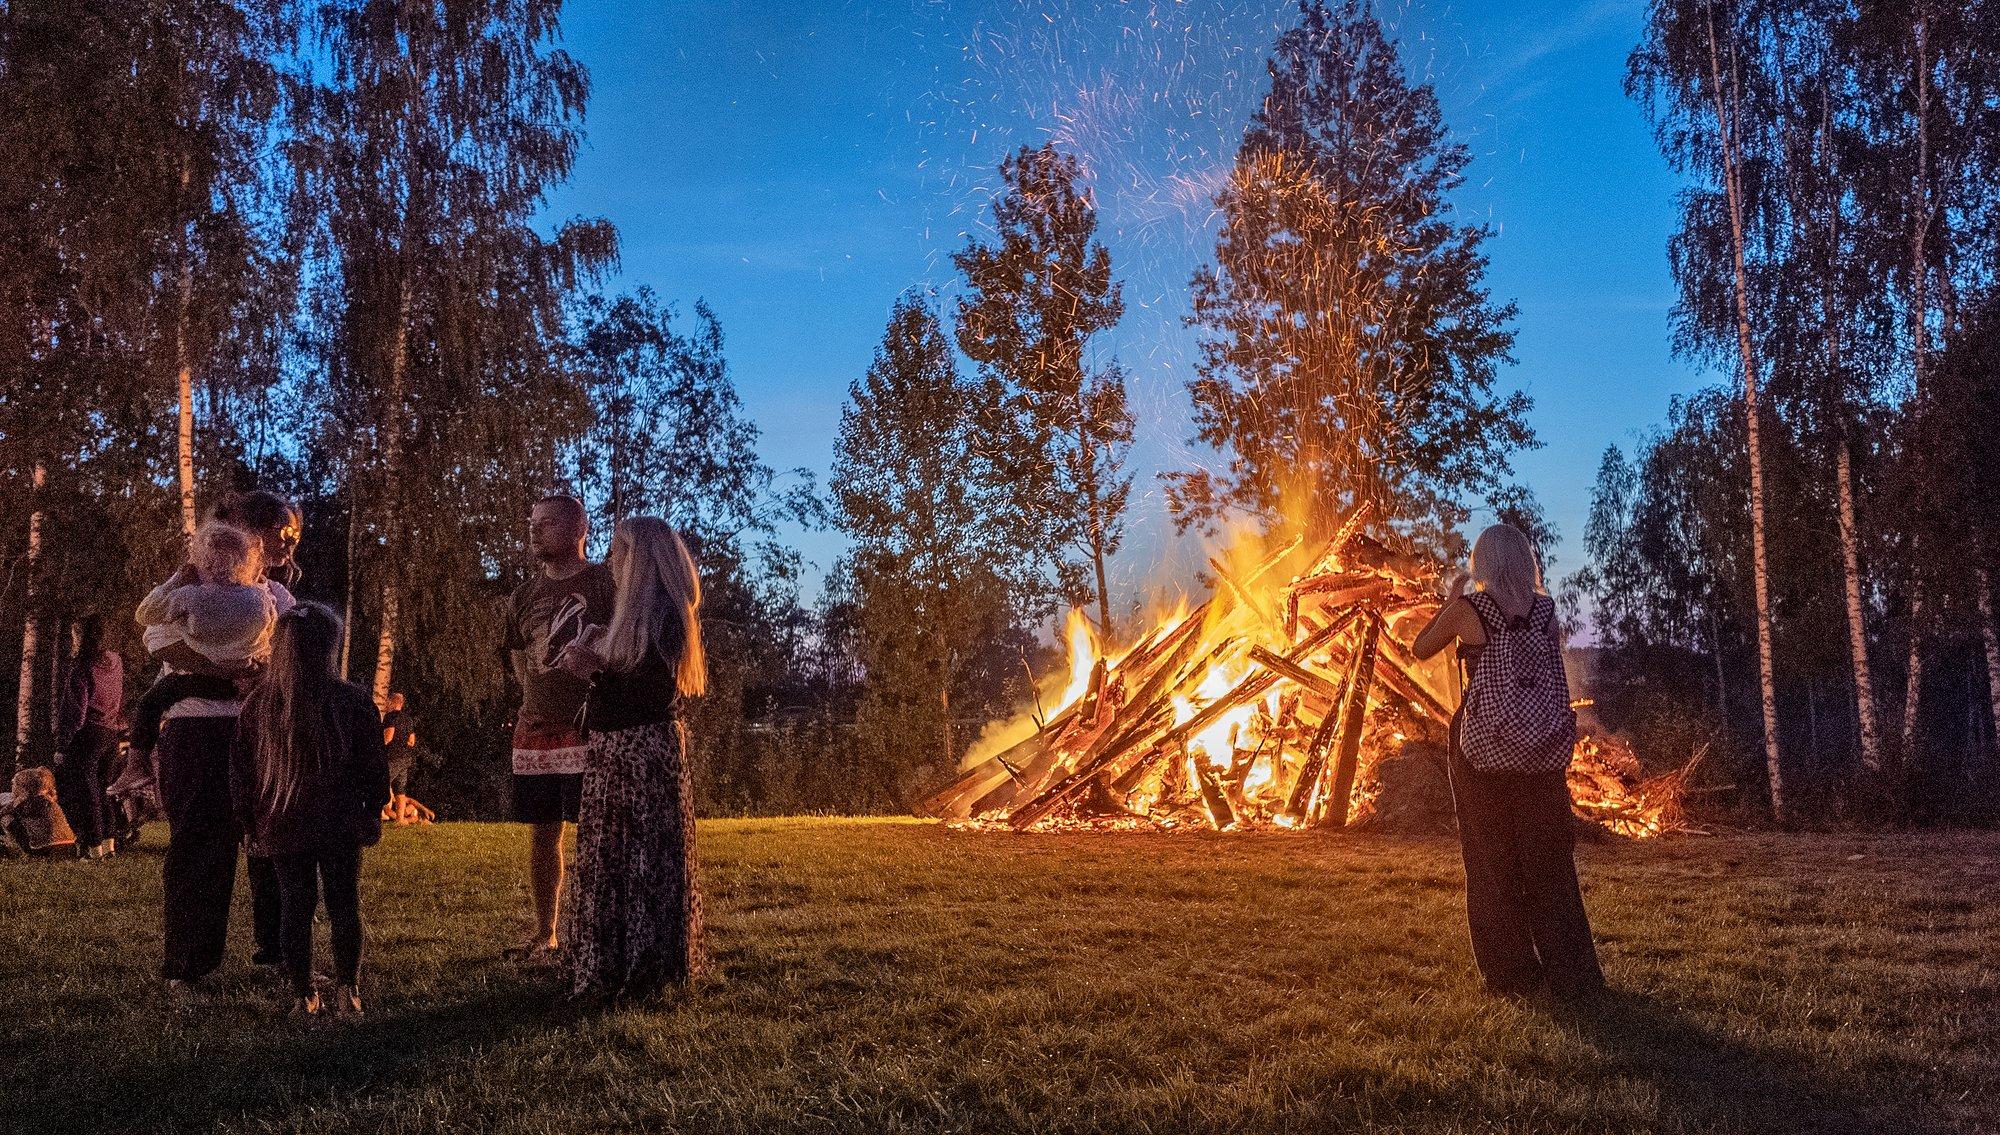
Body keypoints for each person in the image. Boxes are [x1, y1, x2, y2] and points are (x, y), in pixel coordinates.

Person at [1412, 522, 1605, 1001]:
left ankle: (1512, 975)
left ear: (1481, 562)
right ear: (1525, 561)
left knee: (1489, 858)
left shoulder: (1468, 609)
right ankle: (1572, 972)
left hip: (1482, 748)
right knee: (1550, 860)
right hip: (1540, 748)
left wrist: (1452, 598)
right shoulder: (1545, 610)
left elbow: (1420, 649)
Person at [147, 489, 303, 993]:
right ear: (253, 529)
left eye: (295, 535)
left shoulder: (276, 597)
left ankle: (280, 955)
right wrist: (219, 671)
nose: (290, 542)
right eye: (284, 530)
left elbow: (295, 653)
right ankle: (188, 966)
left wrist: (265, 673)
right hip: (197, 726)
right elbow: (159, 638)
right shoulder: (193, 584)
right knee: (199, 842)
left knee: (274, 838)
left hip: (259, 726)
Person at [554, 517, 706, 999]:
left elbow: (647, 696)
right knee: (614, 857)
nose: (610, 561)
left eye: (618, 552)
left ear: (639, 560)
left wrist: (594, 670)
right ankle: (614, 962)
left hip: (639, 753)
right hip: (616, 751)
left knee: (637, 857)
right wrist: (601, 653)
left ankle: (639, 966)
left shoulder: (665, 616)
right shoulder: (636, 617)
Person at [230, 603, 389, 1017]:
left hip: (282, 823)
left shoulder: (259, 706)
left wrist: (251, 823)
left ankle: (303, 994)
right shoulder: (351, 702)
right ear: (330, 648)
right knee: (344, 904)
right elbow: (372, 765)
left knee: (294, 906)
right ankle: (348, 988)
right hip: (339, 821)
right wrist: (374, 808)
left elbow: (242, 775)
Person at [502, 495, 614, 959]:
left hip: (589, 728)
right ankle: (546, 931)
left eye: (545, 523)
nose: (534, 531)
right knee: (543, 832)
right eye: (531, 523)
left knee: (596, 831)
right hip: (535, 730)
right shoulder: (524, 595)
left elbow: (625, 642)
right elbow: (513, 652)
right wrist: (531, 690)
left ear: (579, 528)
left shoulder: (606, 583)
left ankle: (594, 929)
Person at [132, 521, 278, 759]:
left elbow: (144, 614)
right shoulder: (260, 599)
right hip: (244, 685)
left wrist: (177, 579)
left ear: (203, 562)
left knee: (150, 703)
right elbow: (269, 633)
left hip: (197, 688)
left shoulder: (190, 597)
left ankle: (136, 764)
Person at [54, 614, 124, 859]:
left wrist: (62, 745)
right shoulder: (115, 661)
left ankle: (93, 849)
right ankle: (109, 845)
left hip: (88, 735)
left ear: (81, 636)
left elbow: (75, 710)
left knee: (87, 793)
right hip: (111, 733)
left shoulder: (82, 667)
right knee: (103, 790)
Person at [2, 766, 77, 857]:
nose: (12, 787)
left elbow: (3, 812)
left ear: (23, 788)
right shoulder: (49, 800)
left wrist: (15, 803)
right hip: (70, 847)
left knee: (6, 818)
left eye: (13, 784)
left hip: (46, 849)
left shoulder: (26, 803)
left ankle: (11, 849)